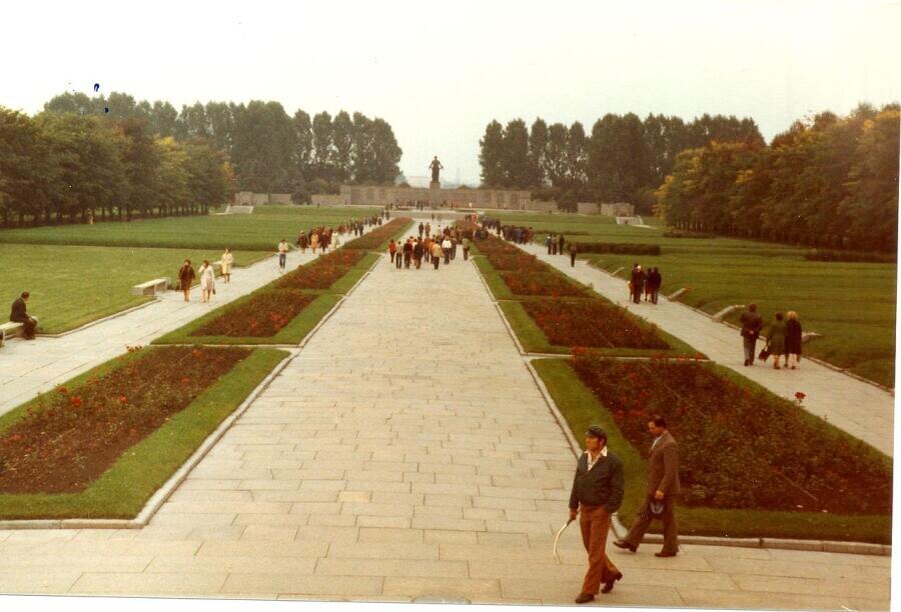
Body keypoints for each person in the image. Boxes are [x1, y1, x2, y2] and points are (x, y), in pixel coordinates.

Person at [569, 425, 624, 603]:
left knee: (594, 552)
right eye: (587, 437)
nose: (587, 440)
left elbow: (618, 491)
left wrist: (606, 509)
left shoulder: (613, 462)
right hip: (585, 509)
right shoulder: (584, 457)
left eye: (591, 438)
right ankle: (610, 573)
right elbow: (577, 482)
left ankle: (589, 590)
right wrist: (573, 506)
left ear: (601, 441)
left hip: (600, 512)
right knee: (590, 547)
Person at [614, 415, 681, 558]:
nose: (650, 430)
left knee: (668, 519)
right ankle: (631, 541)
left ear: (662, 427)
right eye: (649, 427)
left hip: (665, 491)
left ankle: (670, 548)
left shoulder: (669, 444)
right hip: (654, 488)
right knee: (644, 514)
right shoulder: (659, 441)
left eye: (653, 428)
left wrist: (661, 490)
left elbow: (671, 471)